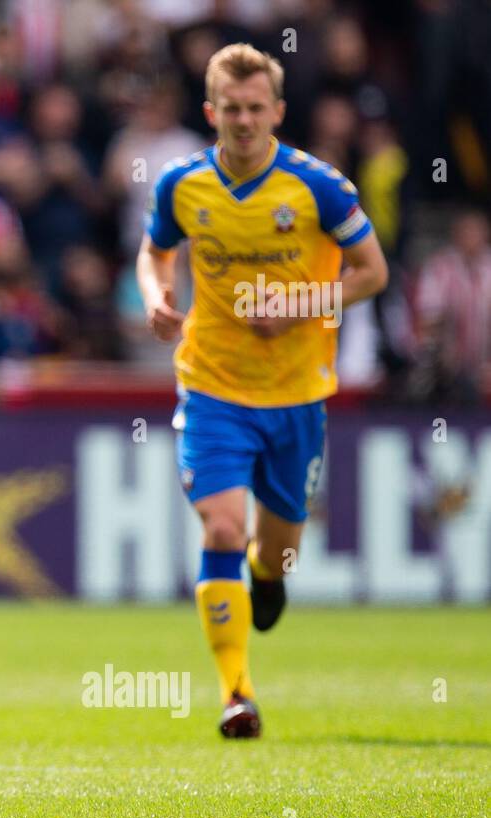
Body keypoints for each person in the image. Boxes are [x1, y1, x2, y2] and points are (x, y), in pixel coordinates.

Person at [136, 44, 388, 738]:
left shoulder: (318, 188)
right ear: (211, 110)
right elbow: (155, 249)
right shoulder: (181, 185)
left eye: (256, 109)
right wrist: (157, 293)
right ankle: (236, 694)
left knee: (277, 551)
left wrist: (303, 303)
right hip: (212, 385)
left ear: (277, 111)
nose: (243, 121)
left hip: (297, 395)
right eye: (231, 109)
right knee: (220, 523)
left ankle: (266, 573)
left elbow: (371, 272)